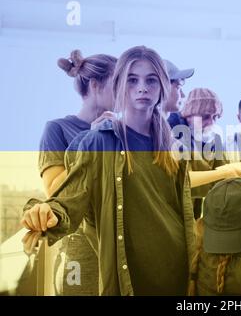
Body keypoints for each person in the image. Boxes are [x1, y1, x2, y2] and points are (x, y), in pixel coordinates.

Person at [22, 45, 196, 295]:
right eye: (132, 80)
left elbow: (184, 214)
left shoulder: (173, 148)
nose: (142, 88)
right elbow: (68, 198)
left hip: (174, 270)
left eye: (151, 80)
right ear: (119, 86)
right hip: (127, 276)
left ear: (162, 87)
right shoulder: (97, 142)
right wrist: (46, 213)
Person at [38, 50, 117, 295]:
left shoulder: (119, 131)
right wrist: (89, 141)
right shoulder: (57, 129)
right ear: (95, 85)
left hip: (116, 246)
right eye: (118, 84)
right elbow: (55, 191)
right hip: (80, 250)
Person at [171, 88, 241, 219]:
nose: (211, 122)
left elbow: (224, 172)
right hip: (170, 213)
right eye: (205, 116)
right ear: (188, 115)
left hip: (193, 214)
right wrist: (224, 173)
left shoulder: (212, 140)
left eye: (215, 116)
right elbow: (181, 180)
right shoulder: (173, 137)